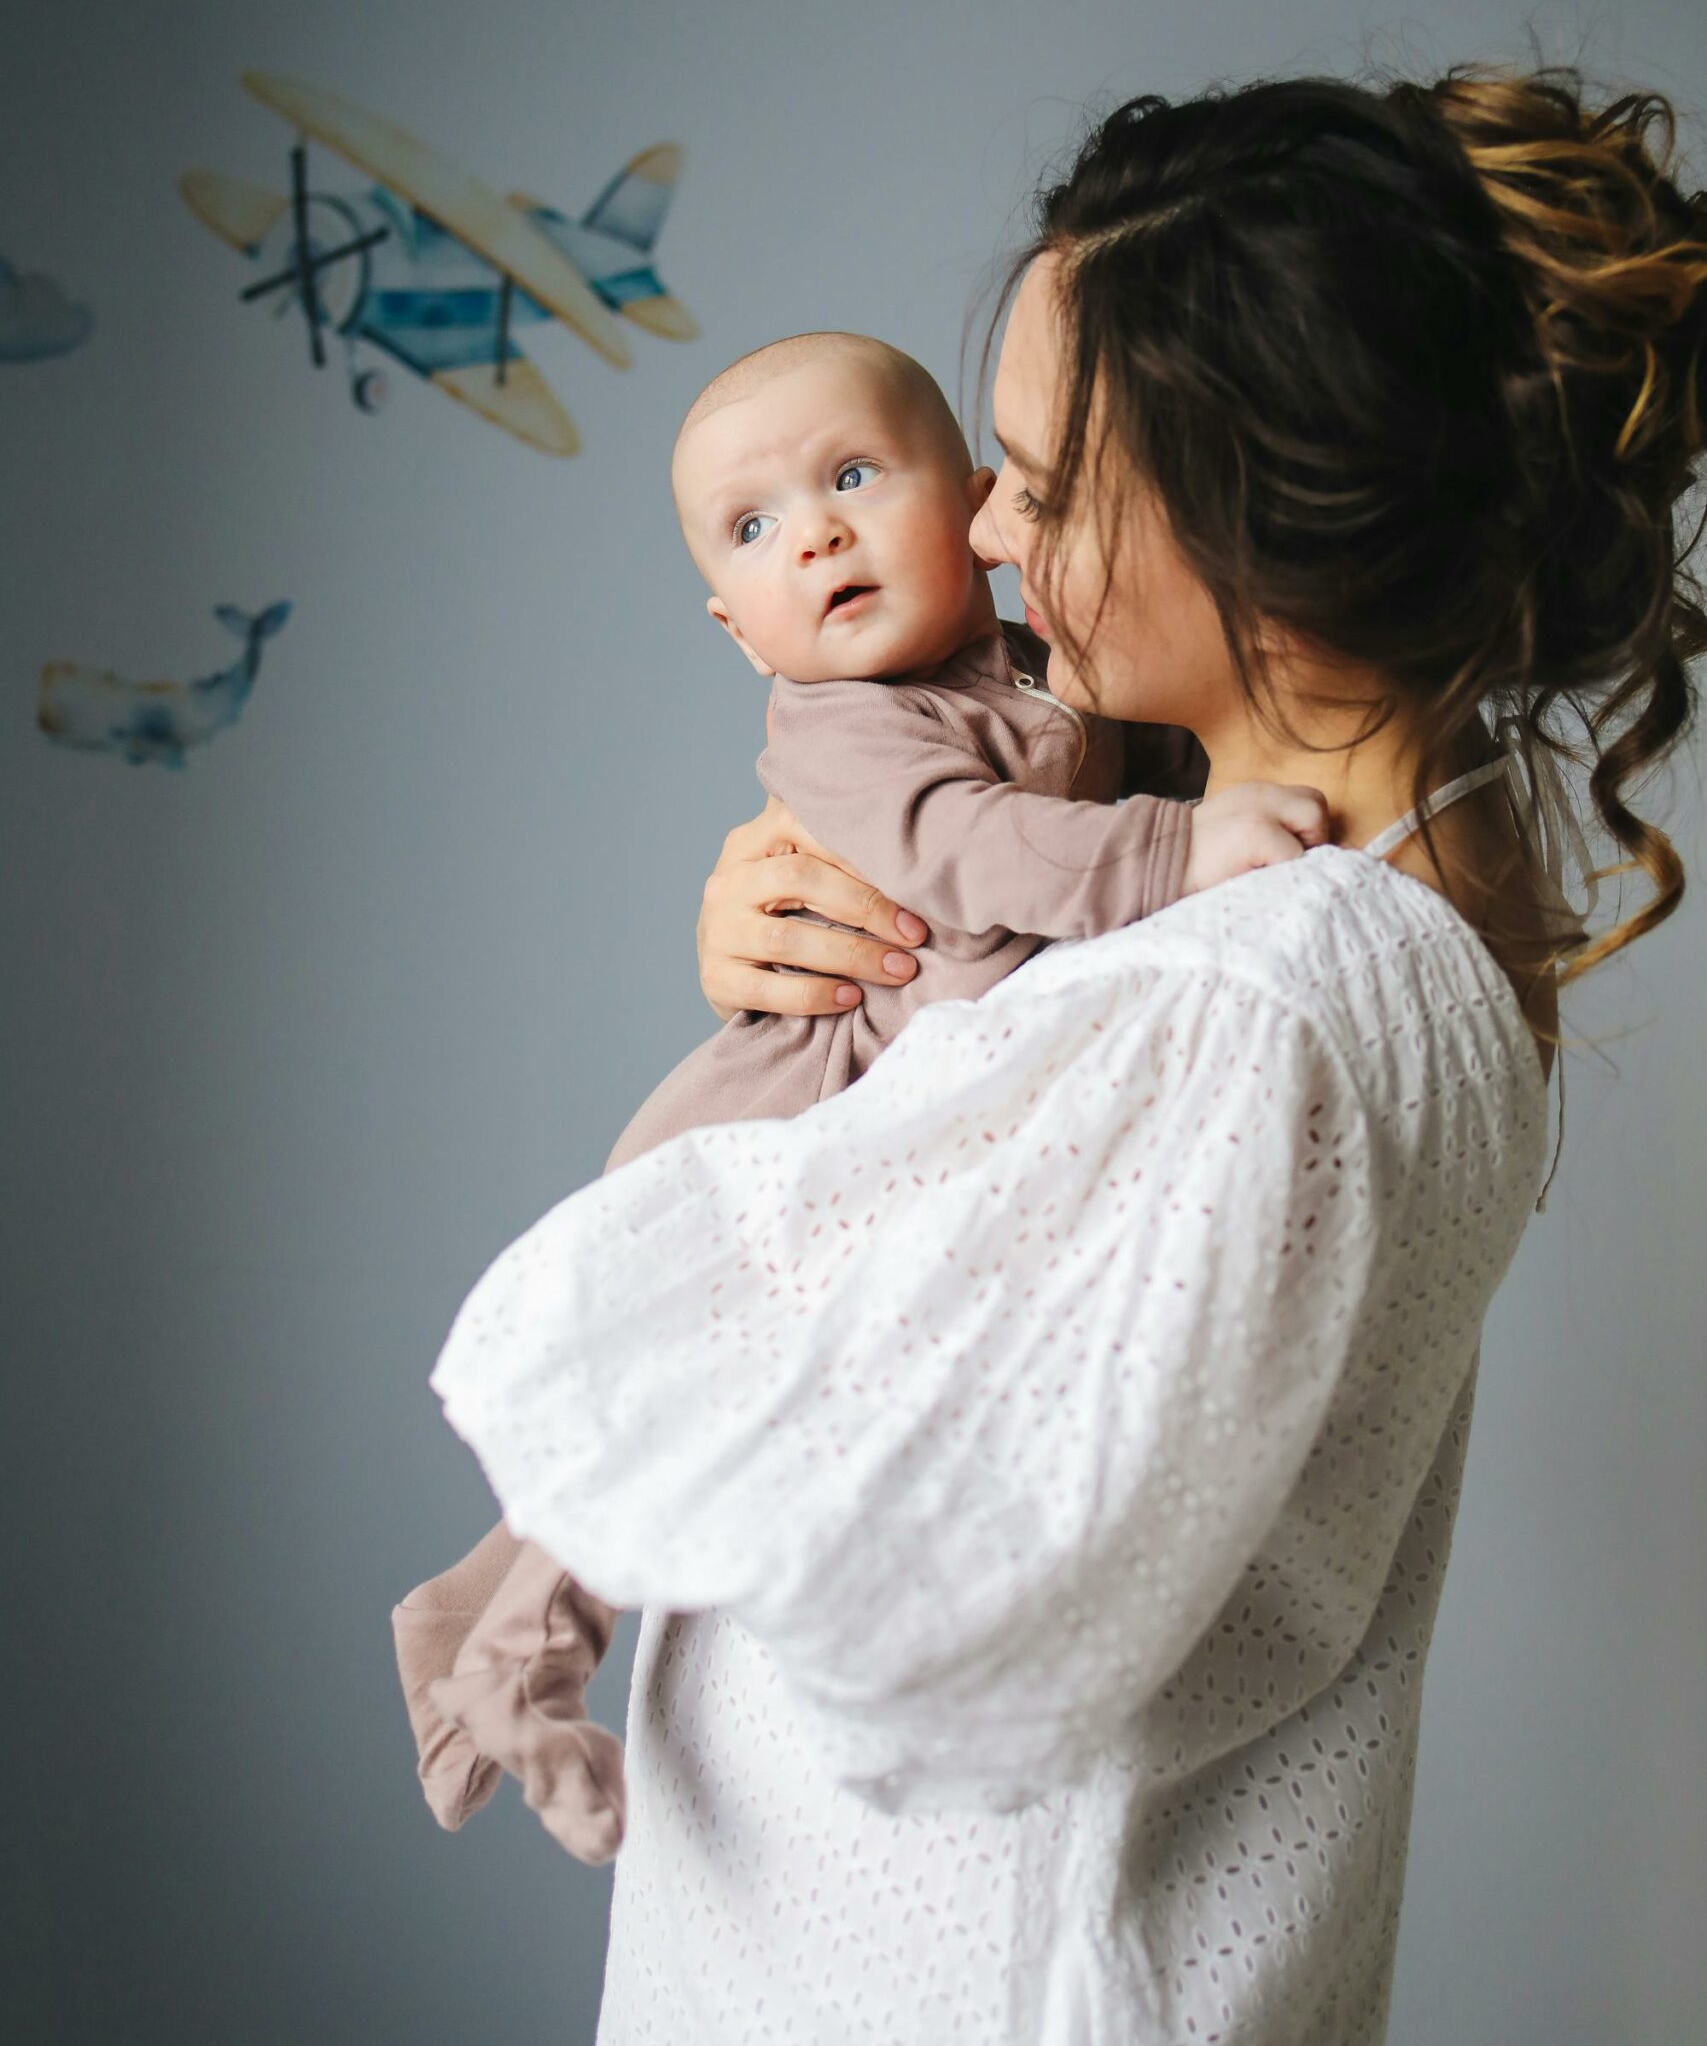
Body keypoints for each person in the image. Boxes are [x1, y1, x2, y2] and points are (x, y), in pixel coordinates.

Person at [428, 61, 1706, 2044]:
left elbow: (926, 1599)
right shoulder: (1387, 878)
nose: (985, 525)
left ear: (1246, 509)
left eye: (1034, 468)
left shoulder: (1237, 1003)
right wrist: (826, 939)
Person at [393, 330, 1328, 1864]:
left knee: (663, 1431)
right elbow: (973, 854)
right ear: (738, 630)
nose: (813, 532)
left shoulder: (1045, 678)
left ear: (974, 512)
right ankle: (512, 1665)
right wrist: (1175, 853)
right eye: (754, 529)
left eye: (850, 478)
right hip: (777, 1121)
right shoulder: (839, 733)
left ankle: (472, 1636)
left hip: (867, 1123)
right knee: (660, 1418)